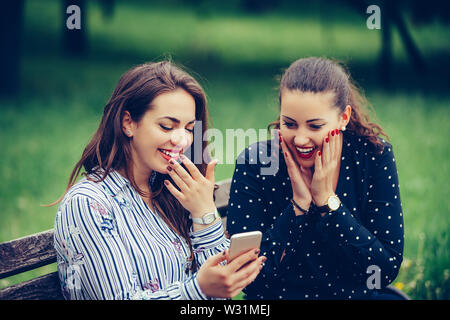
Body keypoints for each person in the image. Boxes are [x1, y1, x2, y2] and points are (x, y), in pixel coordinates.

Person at [53, 61, 266, 300]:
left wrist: (204, 211)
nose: (182, 141)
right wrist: (198, 290)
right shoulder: (87, 204)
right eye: (167, 126)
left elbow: (219, 292)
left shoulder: (171, 192)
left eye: (188, 128)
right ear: (128, 123)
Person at [227, 57, 404, 300]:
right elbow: (248, 280)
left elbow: (383, 271)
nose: (300, 139)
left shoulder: (372, 157)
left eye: (315, 126)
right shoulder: (256, 163)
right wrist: (297, 207)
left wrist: (327, 203)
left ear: (343, 118)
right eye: (289, 124)